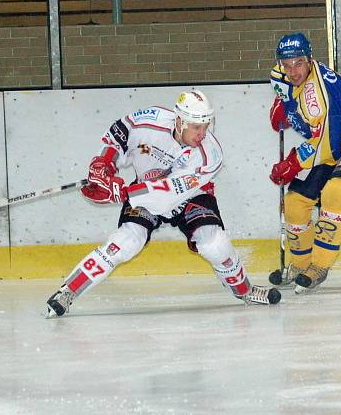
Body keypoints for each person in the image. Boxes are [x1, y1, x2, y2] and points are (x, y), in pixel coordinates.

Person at [45, 90, 281, 318]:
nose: (202, 133)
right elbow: (119, 133)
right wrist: (103, 164)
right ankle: (68, 291)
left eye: (206, 126)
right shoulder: (151, 121)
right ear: (179, 121)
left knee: (214, 244)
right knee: (125, 242)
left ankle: (246, 291)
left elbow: (169, 192)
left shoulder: (210, 154)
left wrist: (120, 192)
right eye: (196, 127)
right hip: (144, 193)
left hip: (191, 195)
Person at [267, 32, 341, 293]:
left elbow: (326, 145)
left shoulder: (317, 93)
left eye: (298, 63)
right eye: (286, 64)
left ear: (310, 60)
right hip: (334, 142)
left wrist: (293, 162)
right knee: (295, 200)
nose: (292, 71)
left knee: (336, 189)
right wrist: (285, 107)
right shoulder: (281, 74)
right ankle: (300, 265)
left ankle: (320, 266)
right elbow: (288, 97)